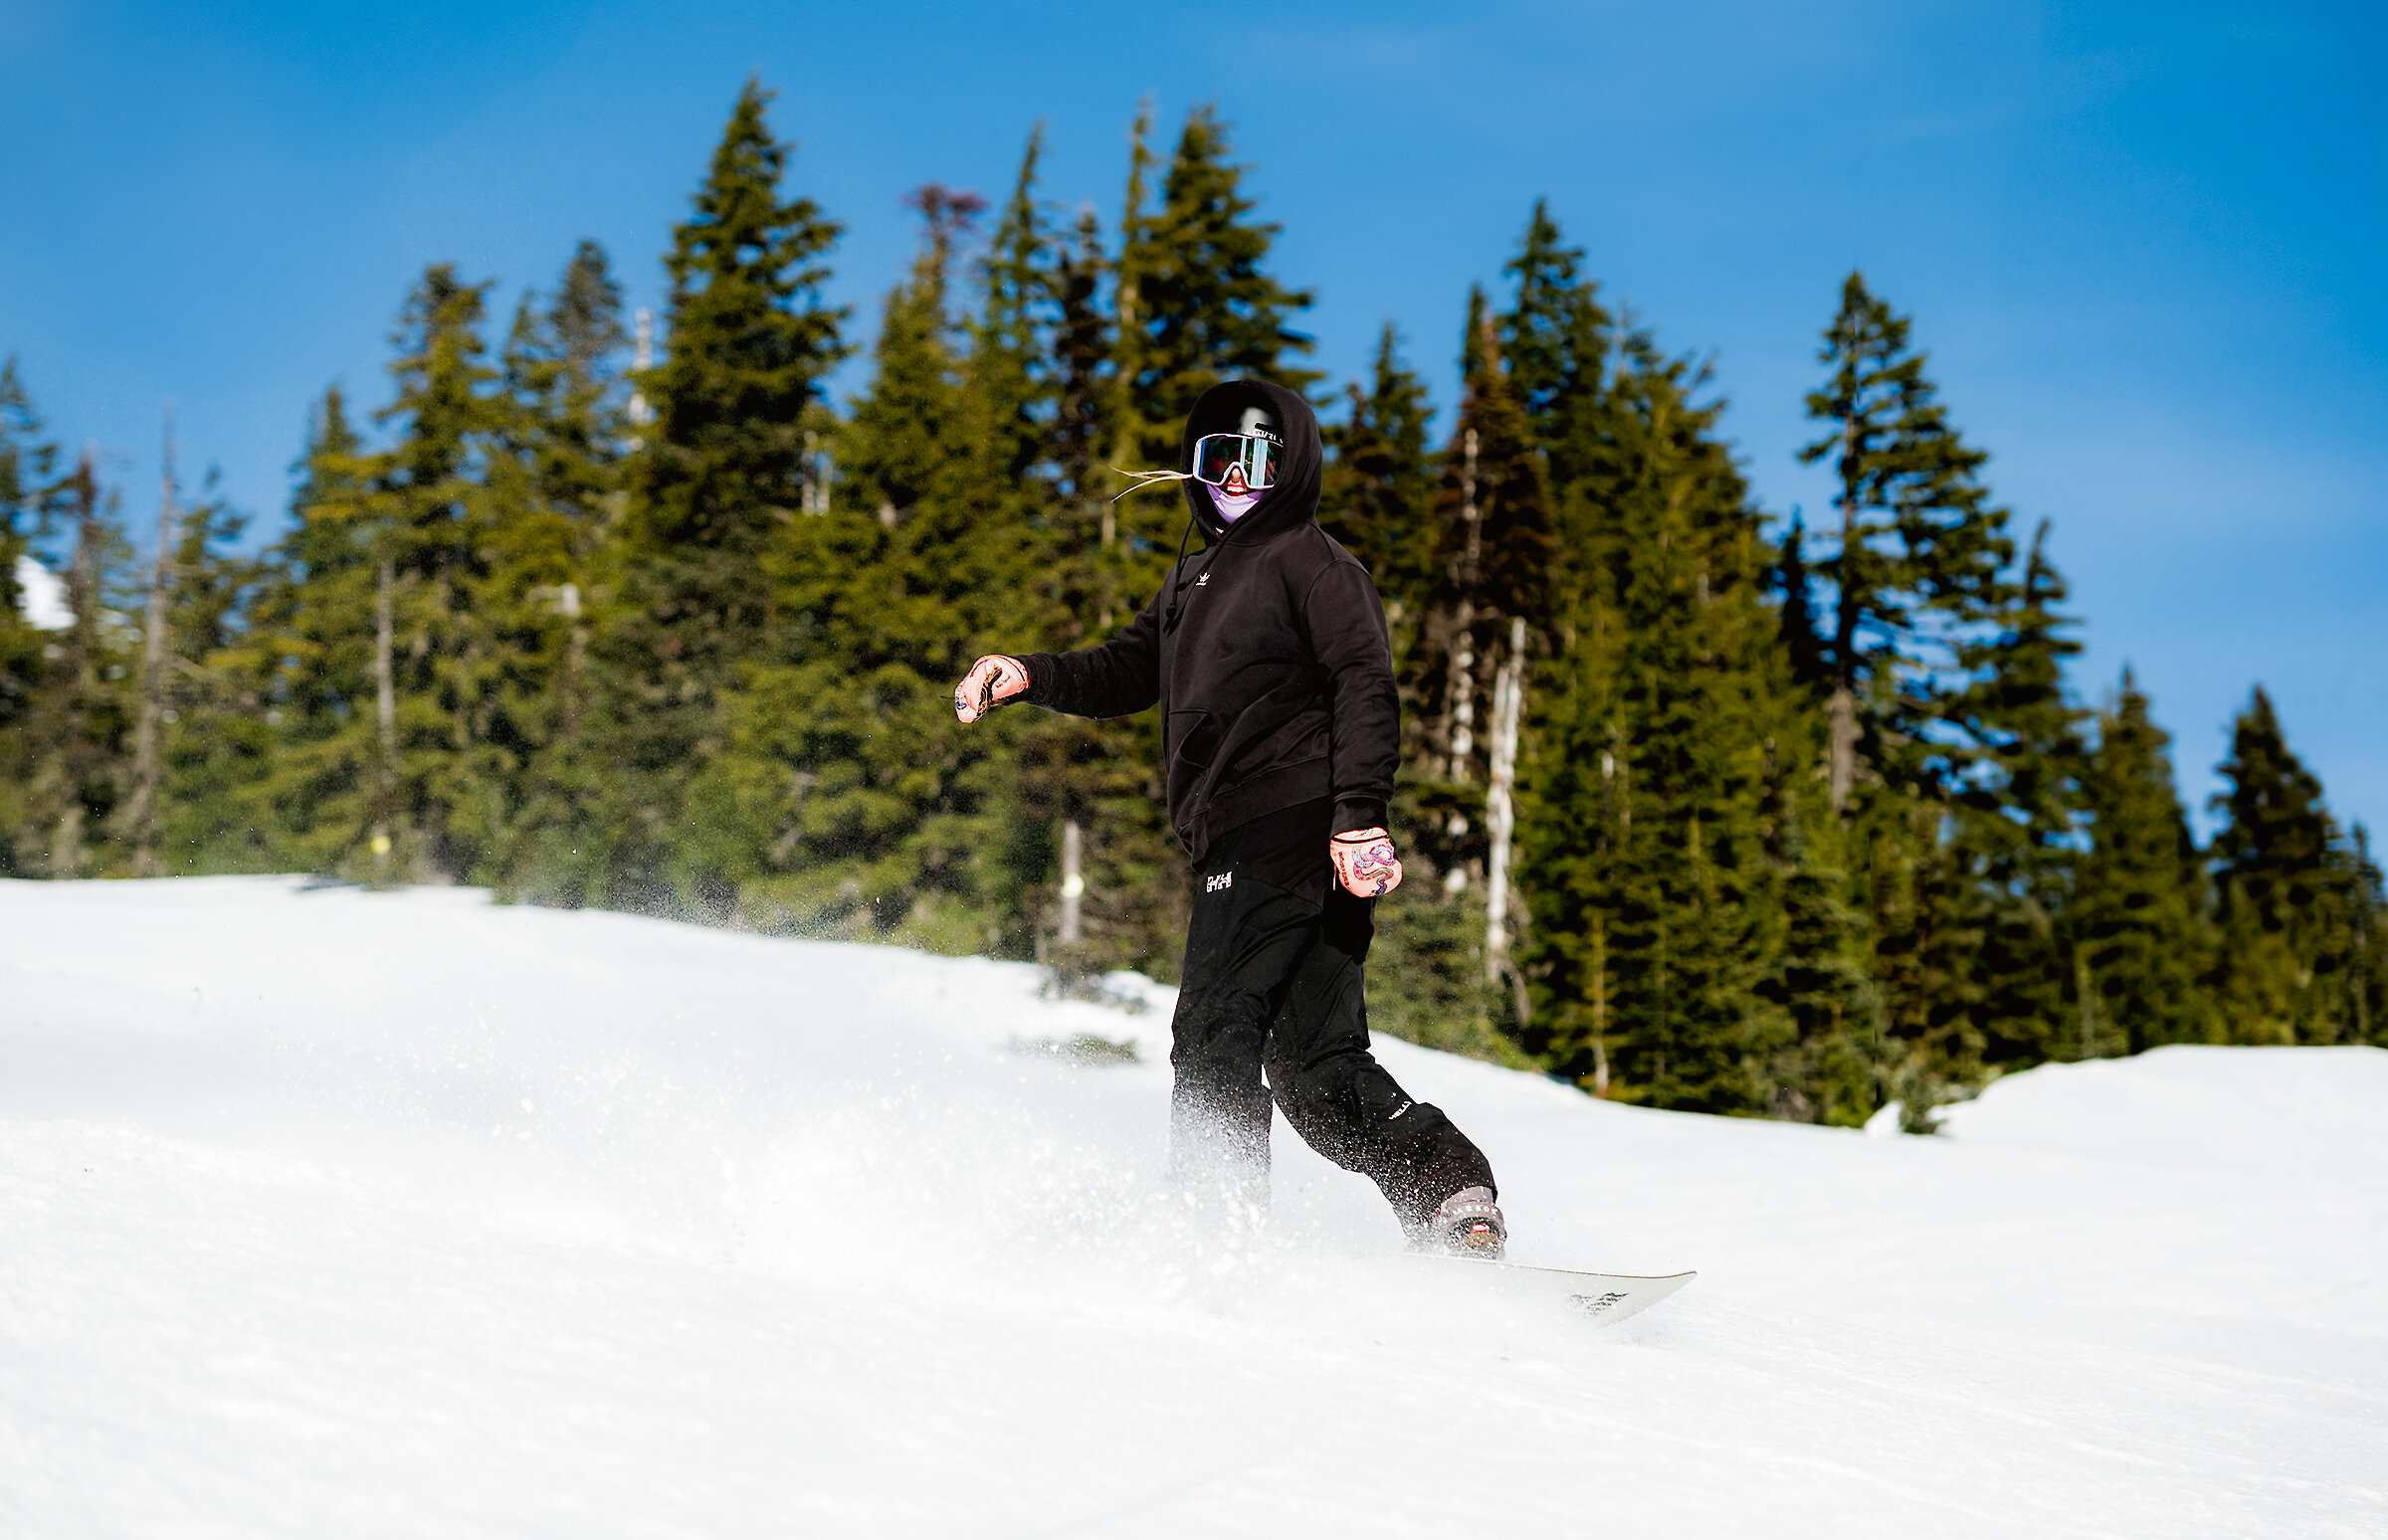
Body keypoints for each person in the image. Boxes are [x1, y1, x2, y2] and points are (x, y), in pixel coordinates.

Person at [953, 379, 1503, 1257]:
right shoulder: (1190, 583)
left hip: (1286, 821)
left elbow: (1365, 681)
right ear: (1192, 470)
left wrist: (1359, 816)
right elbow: (1128, 669)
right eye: (1218, 462)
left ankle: (1217, 1235)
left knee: (1214, 1026)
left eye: (1256, 464)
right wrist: (1030, 672)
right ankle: (1452, 1200)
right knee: (1314, 1069)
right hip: (1283, 840)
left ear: (1290, 473)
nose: (1235, 483)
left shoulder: (1312, 563)